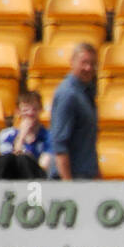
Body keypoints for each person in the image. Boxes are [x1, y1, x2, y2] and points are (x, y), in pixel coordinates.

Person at [48, 43, 100, 180]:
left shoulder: (86, 93)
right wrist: (69, 187)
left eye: (92, 64)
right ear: (72, 62)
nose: (88, 68)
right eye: (84, 62)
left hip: (85, 176)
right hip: (71, 178)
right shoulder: (68, 94)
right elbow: (59, 144)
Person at [0, 90, 51, 180]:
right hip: (11, 175)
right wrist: (21, 136)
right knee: (6, 159)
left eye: (34, 109)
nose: (30, 113)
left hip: (36, 176)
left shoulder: (49, 136)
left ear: (40, 110)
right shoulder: (6, 135)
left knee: (24, 160)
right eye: (26, 110)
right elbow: (8, 162)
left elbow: (44, 165)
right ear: (18, 111)